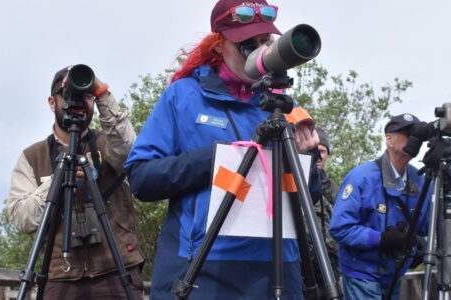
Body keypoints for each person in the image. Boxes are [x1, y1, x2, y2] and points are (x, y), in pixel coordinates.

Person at [123, 0, 321, 298]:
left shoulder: (280, 107)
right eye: (246, 44)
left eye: (265, 42)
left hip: (279, 269)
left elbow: (308, 198)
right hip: (205, 269)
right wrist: (216, 159)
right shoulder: (183, 96)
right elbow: (142, 178)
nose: (258, 51)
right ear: (218, 46)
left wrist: (308, 162)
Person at [7, 66, 144, 299]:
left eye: (87, 96)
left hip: (116, 270)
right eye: (70, 96)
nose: (80, 102)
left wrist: (102, 93)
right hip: (61, 278)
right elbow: (21, 218)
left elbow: (133, 154)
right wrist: (55, 184)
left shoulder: (108, 143)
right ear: (52, 103)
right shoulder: (32, 157)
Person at [329, 113, 431, 300]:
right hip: (362, 272)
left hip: (395, 272)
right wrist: (381, 238)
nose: (414, 139)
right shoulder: (362, 176)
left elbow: (425, 228)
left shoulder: (421, 179)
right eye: (408, 133)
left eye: (417, 134)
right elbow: (340, 228)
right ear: (389, 139)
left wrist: (416, 245)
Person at [310, 127, 341, 299]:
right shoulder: (295, 182)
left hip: (330, 266)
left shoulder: (335, 190)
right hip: (303, 266)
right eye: (315, 151)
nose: (319, 156)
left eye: (323, 151)